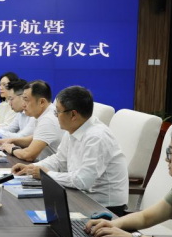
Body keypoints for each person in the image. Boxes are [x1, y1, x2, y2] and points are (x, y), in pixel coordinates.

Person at [11, 86, 129, 214]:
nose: (56, 116)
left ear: (73, 114)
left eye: (57, 112)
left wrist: (47, 174)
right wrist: (32, 168)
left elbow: (83, 180)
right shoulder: (73, 129)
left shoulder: (97, 137)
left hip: (105, 209)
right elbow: (59, 160)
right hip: (81, 197)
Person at [0, 80, 63, 162]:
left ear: (42, 102)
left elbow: (29, 155)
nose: (23, 105)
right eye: (23, 99)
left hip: (52, 169)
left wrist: (12, 149)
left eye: (26, 100)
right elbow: (35, 138)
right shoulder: (44, 113)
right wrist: (12, 140)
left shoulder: (48, 120)